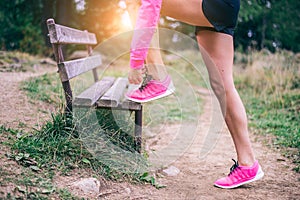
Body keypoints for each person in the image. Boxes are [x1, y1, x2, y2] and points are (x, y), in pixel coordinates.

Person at [125, 0, 264, 189]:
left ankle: (158, 77)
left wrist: (136, 61)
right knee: (222, 85)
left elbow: (150, 5)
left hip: (215, 4)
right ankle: (247, 164)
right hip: (225, 7)